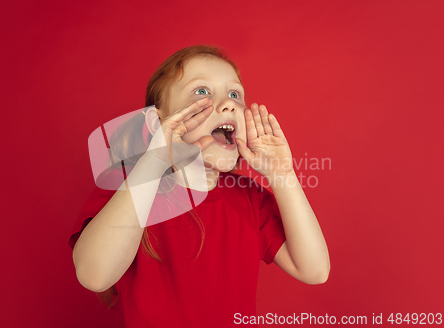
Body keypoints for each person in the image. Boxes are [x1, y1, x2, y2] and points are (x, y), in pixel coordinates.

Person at [68, 45, 330, 327]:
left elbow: (315, 270)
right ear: (157, 123)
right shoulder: (130, 190)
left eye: (234, 94)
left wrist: (283, 174)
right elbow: (94, 275)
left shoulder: (250, 199)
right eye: (202, 91)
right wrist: (153, 163)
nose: (228, 104)